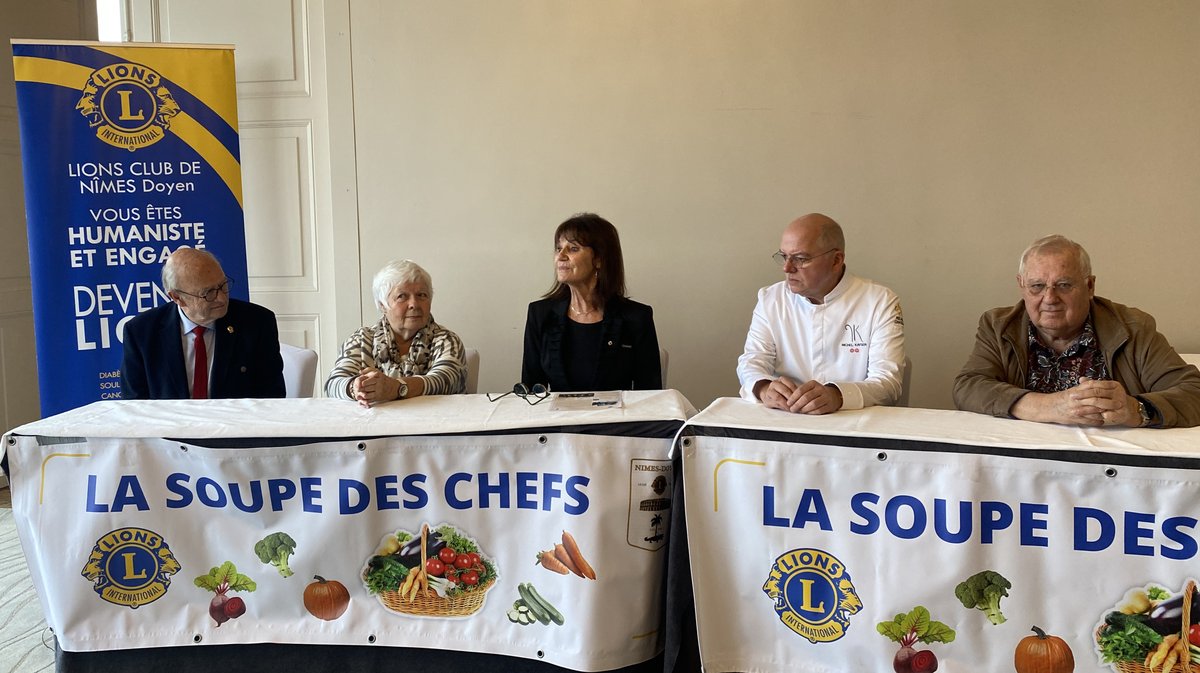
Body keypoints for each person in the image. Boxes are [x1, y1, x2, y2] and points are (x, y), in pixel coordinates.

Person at [953, 235, 1200, 428]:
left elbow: (1193, 392)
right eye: (1037, 286)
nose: (1049, 298)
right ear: (1021, 286)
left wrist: (1135, 410)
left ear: (1089, 285)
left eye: (1064, 285)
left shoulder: (1133, 328)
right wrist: (1048, 407)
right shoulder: (998, 325)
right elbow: (968, 386)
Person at [736, 213, 905, 414]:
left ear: (836, 260)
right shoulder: (771, 299)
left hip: (854, 424)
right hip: (786, 419)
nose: (787, 268)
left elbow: (888, 382)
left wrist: (838, 395)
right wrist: (763, 388)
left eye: (800, 259)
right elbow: (752, 361)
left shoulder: (878, 301)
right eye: (783, 256)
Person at [522, 213, 662, 392]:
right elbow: (529, 393)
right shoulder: (539, 314)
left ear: (599, 259)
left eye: (573, 249)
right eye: (558, 248)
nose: (561, 256)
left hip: (616, 419)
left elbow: (650, 395)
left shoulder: (637, 317)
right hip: (557, 419)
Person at [121, 247, 286, 399]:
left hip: (235, 426)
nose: (221, 298)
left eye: (222, 285)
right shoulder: (141, 332)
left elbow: (271, 395)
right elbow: (135, 403)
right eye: (208, 293)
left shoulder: (257, 322)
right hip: (170, 428)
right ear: (177, 298)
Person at [325, 259, 466, 406]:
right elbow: (333, 383)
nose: (414, 304)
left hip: (435, 425)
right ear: (382, 305)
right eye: (402, 296)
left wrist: (397, 388)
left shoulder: (446, 340)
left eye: (421, 295)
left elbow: (446, 381)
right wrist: (355, 387)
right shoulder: (362, 340)